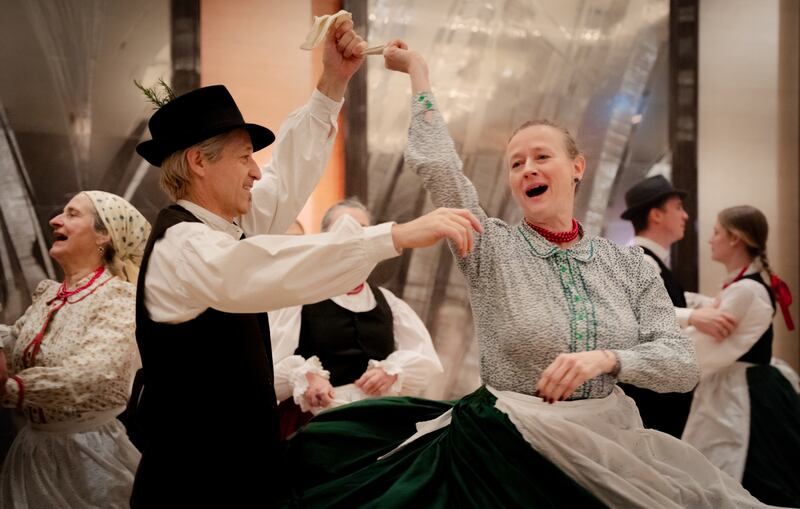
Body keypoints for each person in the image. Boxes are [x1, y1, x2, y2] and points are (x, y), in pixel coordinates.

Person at [275, 41, 781, 508]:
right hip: (507, 442)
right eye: (516, 164)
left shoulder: (627, 264)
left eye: (542, 157)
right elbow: (439, 167)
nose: (527, 169)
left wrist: (609, 359)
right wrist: (419, 75)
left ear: (577, 167)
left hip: (610, 441)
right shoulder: (491, 247)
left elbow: (680, 365)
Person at [130, 22, 481, 508]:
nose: (256, 171)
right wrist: (394, 235)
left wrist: (333, 83)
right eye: (245, 157)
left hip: (246, 472)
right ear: (198, 162)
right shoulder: (183, 246)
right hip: (194, 484)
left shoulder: (228, 225)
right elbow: (268, 265)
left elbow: (286, 177)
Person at [0, 191, 150, 508]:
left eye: (72, 214)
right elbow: (14, 343)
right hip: (31, 453)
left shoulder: (118, 297)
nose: (55, 220)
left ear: (104, 235)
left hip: (88, 457)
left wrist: (12, 388)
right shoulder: (49, 294)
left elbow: (93, 374)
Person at [270, 199, 444, 437]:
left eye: (363, 230)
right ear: (324, 238)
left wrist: (392, 373)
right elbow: (267, 369)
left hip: (374, 427)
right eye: (345, 229)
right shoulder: (299, 297)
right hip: (315, 427)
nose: (355, 237)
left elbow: (424, 359)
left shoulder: (389, 303)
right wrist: (304, 377)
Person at [681, 205, 800, 507]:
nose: (711, 240)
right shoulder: (745, 286)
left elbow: (702, 348)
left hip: (742, 395)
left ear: (735, 238)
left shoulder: (746, 290)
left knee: (742, 477)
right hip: (752, 385)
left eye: (716, 232)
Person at [619, 175, 736, 437]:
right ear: (656, 215)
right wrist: (694, 317)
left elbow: (670, 297)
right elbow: (639, 312)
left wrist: (709, 303)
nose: (685, 215)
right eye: (678, 208)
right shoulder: (639, 260)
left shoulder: (653, 261)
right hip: (651, 394)